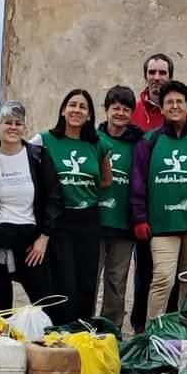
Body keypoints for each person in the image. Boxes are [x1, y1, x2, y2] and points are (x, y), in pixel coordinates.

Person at [128, 79, 187, 319]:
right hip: (162, 224)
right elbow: (138, 182)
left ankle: (183, 329)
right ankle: (154, 331)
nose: (174, 106)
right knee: (162, 278)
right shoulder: (149, 141)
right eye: (169, 102)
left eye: (179, 101)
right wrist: (139, 217)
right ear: (161, 108)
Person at [0, 100, 65, 316]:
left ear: (24, 128)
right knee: (0, 311)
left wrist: (43, 238)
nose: (13, 128)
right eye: (8, 122)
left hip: (30, 242)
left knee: (47, 305)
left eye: (18, 123)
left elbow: (53, 199)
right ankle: (1, 346)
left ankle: (46, 347)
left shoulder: (37, 157)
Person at [37, 88, 107, 323]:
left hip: (88, 218)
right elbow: (19, 158)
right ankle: (58, 328)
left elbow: (106, 179)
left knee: (86, 278)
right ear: (63, 110)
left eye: (83, 107)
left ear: (89, 116)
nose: (77, 110)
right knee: (62, 278)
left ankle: (82, 330)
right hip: (59, 218)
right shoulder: (44, 140)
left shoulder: (97, 144)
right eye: (72, 105)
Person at [95, 85, 151, 331]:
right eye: (115, 108)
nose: (120, 113)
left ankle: (111, 328)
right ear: (106, 110)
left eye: (125, 109)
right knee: (90, 279)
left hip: (123, 223)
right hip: (95, 221)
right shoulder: (93, 140)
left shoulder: (138, 144)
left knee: (117, 281)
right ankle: (85, 326)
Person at [131, 53, 174, 132]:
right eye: (152, 72)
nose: (156, 77)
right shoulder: (133, 111)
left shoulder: (182, 111)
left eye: (162, 73)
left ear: (170, 78)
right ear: (145, 76)